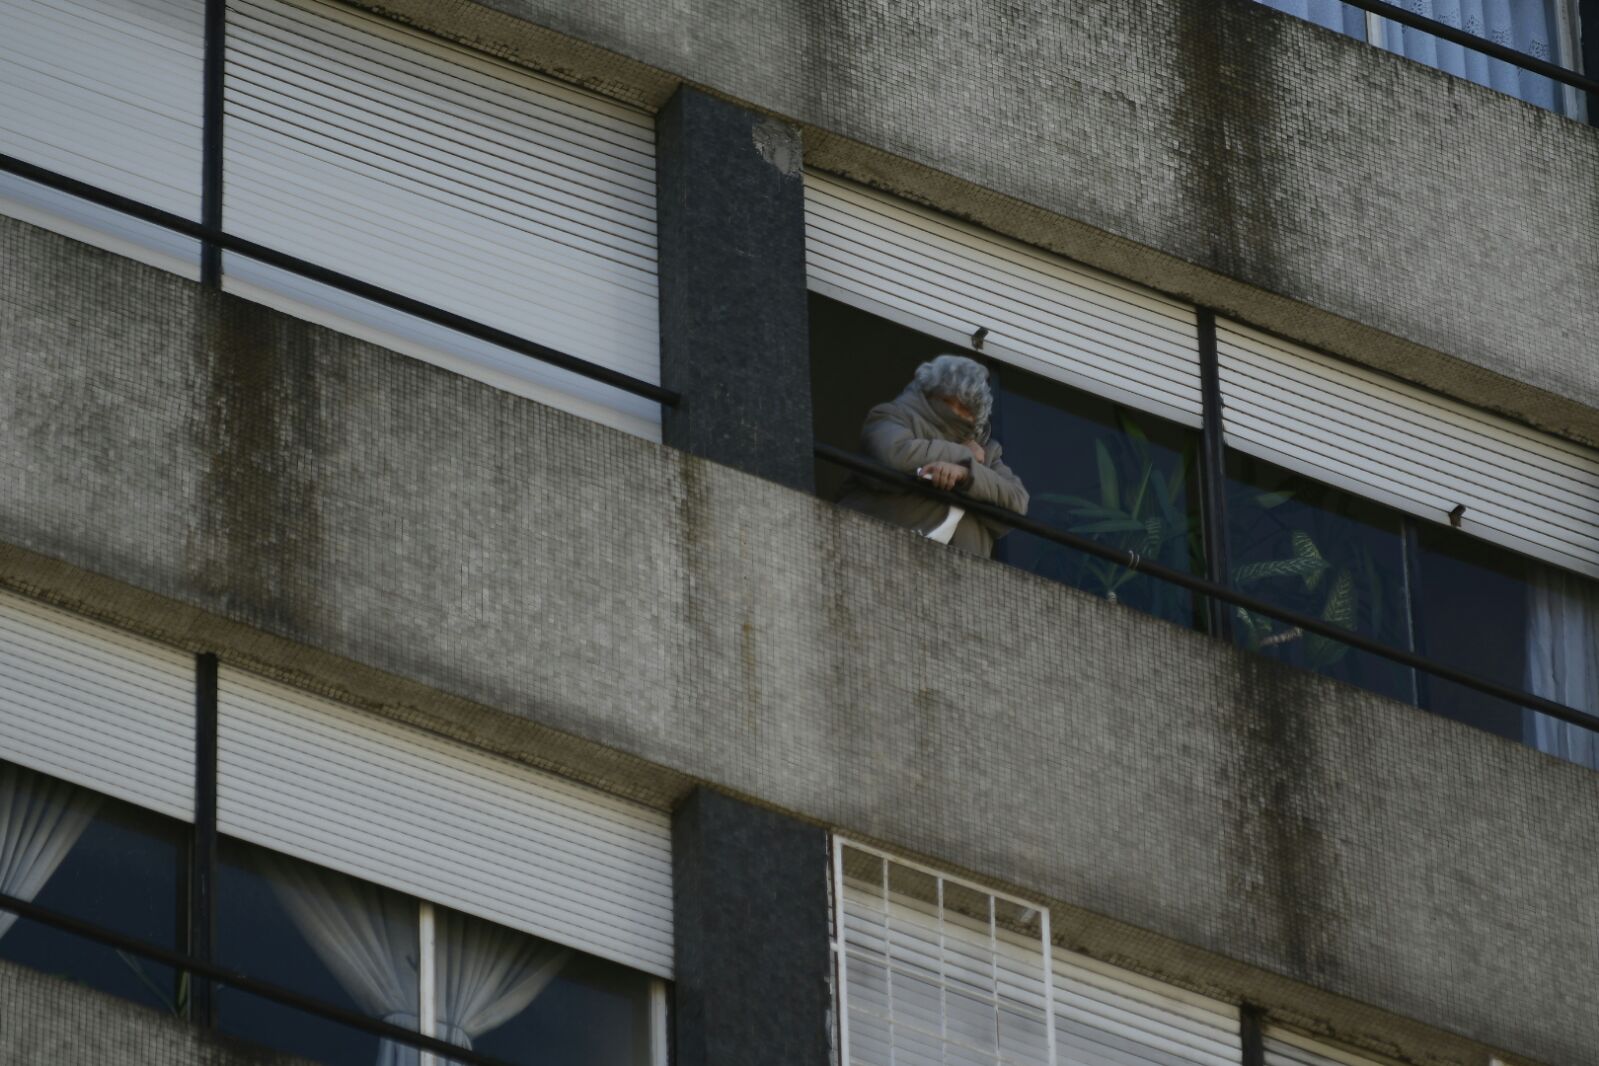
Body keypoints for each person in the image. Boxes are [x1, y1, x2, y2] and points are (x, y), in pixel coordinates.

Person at [838, 354, 1028, 556]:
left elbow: (1016, 503)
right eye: (947, 400)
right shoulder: (892, 415)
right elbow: (893, 455)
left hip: (963, 578)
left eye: (965, 407)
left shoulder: (987, 451)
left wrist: (966, 474)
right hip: (876, 549)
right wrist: (961, 454)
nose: (955, 411)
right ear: (929, 393)